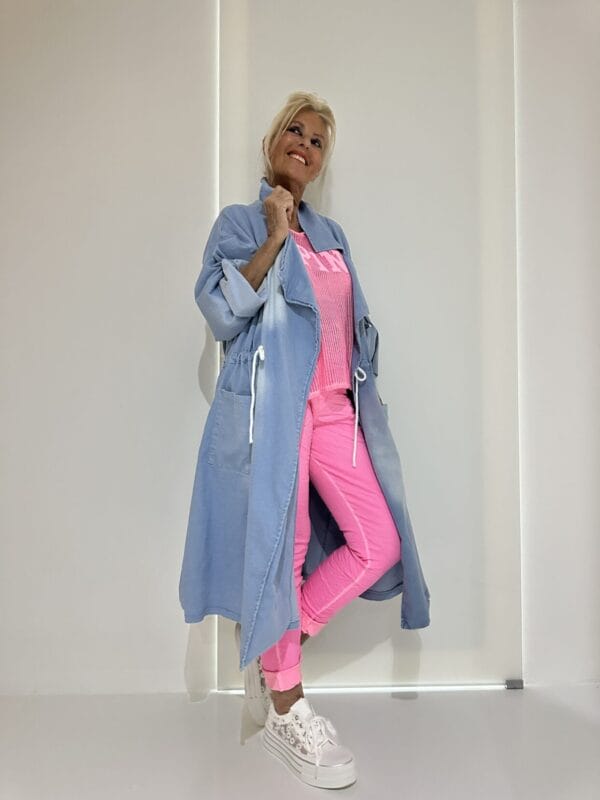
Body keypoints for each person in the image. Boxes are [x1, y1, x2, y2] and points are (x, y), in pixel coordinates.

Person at [180, 90, 431, 790]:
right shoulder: (239, 222)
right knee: (282, 552)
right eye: (296, 130)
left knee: (378, 541)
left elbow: (350, 322)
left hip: (336, 409)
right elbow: (222, 312)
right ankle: (287, 706)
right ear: (272, 141)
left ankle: (274, 644)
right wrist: (272, 235)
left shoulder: (333, 234)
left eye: (319, 141)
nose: (306, 145)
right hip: (276, 408)